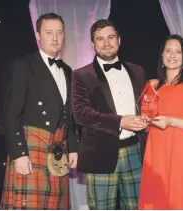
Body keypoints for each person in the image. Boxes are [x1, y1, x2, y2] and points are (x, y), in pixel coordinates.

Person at [0, 13, 79, 209]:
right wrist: (19, 153)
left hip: (58, 152)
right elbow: (11, 114)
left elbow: (70, 115)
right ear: (38, 35)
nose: (55, 38)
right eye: (49, 32)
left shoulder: (68, 71)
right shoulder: (24, 66)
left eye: (59, 33)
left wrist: (74, 147)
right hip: (31, 147)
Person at [71, 19, 147, 210]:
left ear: (119, 40)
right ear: (92, 44)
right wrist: (121, 121)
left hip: (135, 153)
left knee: (137, 207)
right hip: (99, 154)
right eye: (100, 39)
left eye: (111, 37)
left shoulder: (138, 71)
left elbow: (145, 106)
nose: (106, 43)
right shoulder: (81, 75)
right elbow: (81, 114)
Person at [139, 34, 183, 210]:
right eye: (168, 51)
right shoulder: (153, 87)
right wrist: (143, 121)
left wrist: (171, 121)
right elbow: (148, 122)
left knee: (182, 199)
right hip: (157, 153)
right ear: (162, 56)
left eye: (178, 52)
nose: (173, 56)